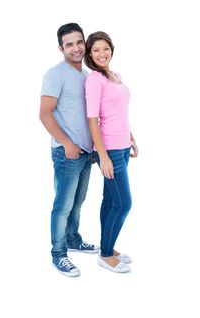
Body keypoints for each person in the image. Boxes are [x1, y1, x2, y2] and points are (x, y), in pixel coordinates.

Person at [39, 23, 99, 277]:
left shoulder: (86, 76)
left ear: (84, 43)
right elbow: (44, 114)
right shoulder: (55, 74)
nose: (75, 48)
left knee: (78, 202)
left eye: (78, 42)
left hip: (87, 153)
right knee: (63, 205)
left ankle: (73, 239)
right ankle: (59, 254)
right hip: (68, 154)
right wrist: (67, 143)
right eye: (69, 44)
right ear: (61, 48)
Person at [84, 31, 139, 273]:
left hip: (123, 146)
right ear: (89, 54)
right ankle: (105, 255)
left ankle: (107, 245)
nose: (101, 53)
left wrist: (131, 137)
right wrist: (102, 155)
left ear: (111, 49)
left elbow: (118, 112)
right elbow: (93, 119)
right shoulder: (95, 79)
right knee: (123, 203)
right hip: (110, 150)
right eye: (96, 50)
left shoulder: (115, 75)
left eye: (105, 48)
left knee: (110, 200)